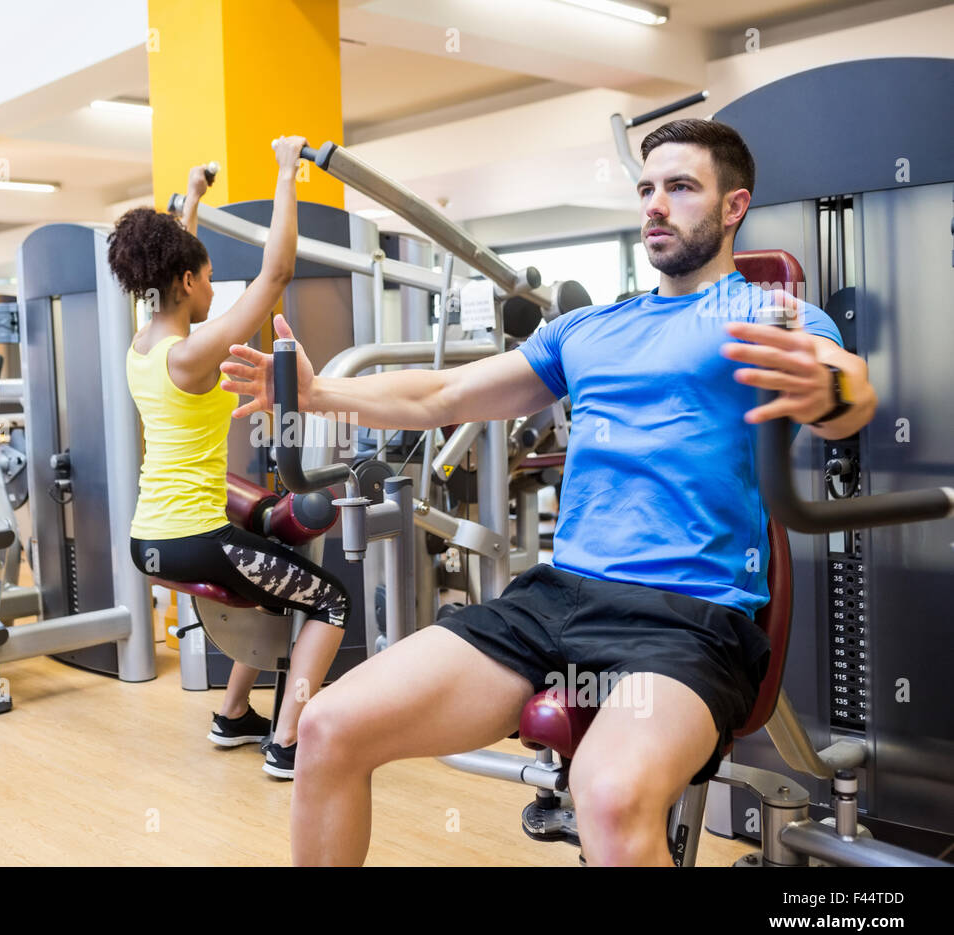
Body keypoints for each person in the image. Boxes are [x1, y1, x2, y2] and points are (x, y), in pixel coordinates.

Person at [222, 119, 877, 864]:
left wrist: (835, 386)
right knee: (327, 726)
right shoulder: (589, 329)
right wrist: (318, 393)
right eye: (647, 190)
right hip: (556, 600)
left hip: (684, 622)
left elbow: (846, 396)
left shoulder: (764, 316)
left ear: (734, 208)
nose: (656, 205)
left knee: (609, 795)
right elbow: (443, 395)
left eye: (682, 188)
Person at [109, 137, 351, 780]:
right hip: (195, 538)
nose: (214, 287)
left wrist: (189, 200)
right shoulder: (192, 354)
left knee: (276, 580)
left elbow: (172, 267)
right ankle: (287, 741)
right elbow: (275, 274)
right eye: (210, 277)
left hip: (149, 536)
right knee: (330, 602)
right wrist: (284, 168)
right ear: (188, 283)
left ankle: (234, 713)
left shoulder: (145, 344)